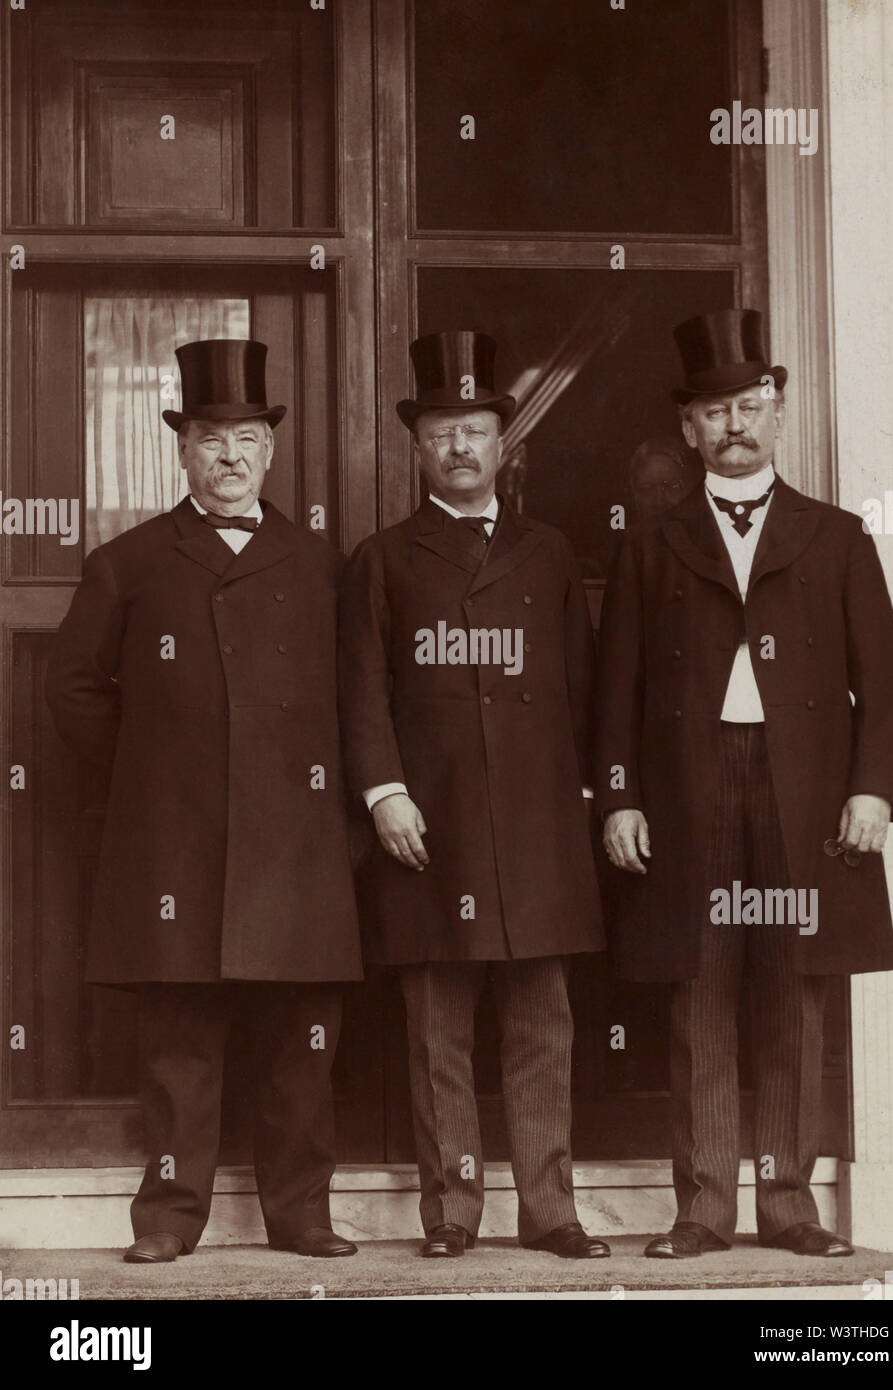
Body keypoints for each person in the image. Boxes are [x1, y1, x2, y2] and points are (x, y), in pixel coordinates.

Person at [595, 309, 893, 1259]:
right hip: (691, 787)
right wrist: (617, 794)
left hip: (804, 789)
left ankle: (787, 1206)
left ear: (776, 412)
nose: (733, 425)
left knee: (793, 988)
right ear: (687, 430)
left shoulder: (837, 535)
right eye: (712, 411)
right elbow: (616, 682)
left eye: (749, 406)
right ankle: (700, 1209)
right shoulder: (651, 541)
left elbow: (883, 681)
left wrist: (872, 789)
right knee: (699, 986)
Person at [46, 339, 363, 1263]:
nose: (230, 456)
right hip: (175, 848)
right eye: (211, 438)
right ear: (182, 450)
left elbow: (359, 697)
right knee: (178, 1045)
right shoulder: (130, 561)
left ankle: (301, 1216)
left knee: (301, 1045)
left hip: (297, 845)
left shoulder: (319, 563)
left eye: (248, 439)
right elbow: (73, 690)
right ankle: (169, 1220)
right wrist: (154, 777)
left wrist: (344, 813)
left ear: (270, 452)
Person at [339, 330, 609, 1259]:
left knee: (544, 1027)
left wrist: (591, 798)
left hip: (535, 829)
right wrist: (383, 794)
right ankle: (451, 1215)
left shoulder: (548, 552)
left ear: (506, 447)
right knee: (435, 1035)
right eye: (443, 430)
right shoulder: (382, 558)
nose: (460, 447)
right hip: (430, 825)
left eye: (477, 430)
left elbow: (585, 686)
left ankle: (552, 1212)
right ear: (418, 447)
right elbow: (361, 689)